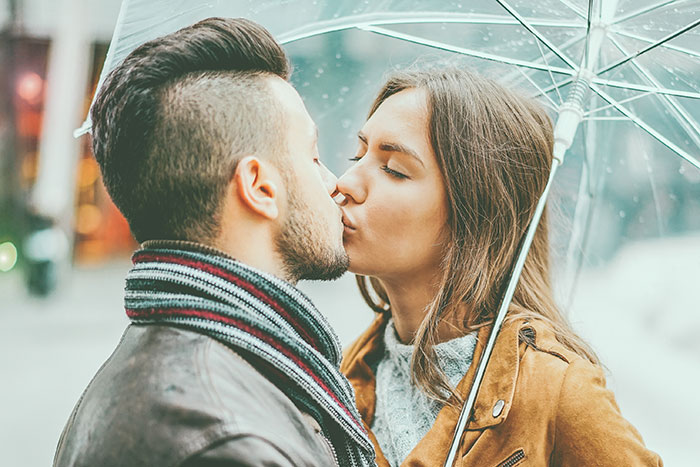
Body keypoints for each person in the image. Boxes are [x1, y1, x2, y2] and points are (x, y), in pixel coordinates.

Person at [53, 18, 375, 467]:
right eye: (314, 157)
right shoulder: (227, 441)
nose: (335, 184)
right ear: (260, 187)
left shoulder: (158, 375)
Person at [337, 68, 663, 466]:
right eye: (358, 154)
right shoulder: (342, 375)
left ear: (474, 210)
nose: (346, 182)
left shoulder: (557, 390)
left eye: (394, 169)